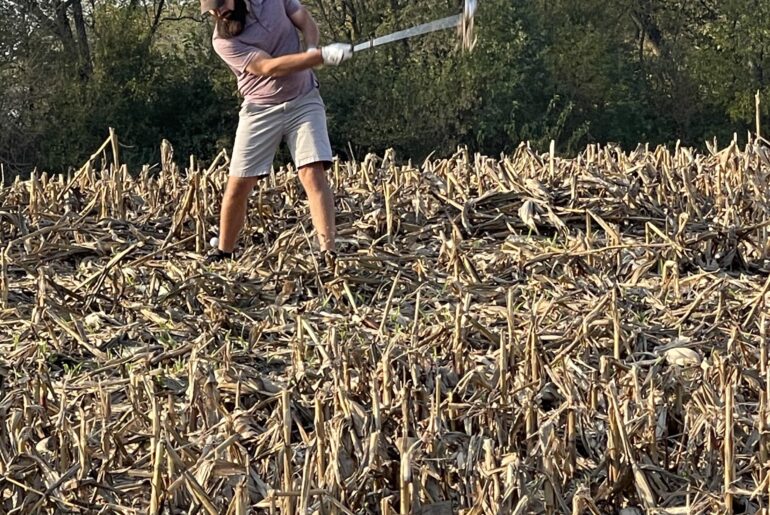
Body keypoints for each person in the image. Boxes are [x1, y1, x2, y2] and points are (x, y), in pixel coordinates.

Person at [200, 0, 353, 266]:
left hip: (304, 100)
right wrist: (319, 58)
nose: (218, 12)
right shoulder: (222, 41)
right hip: (260, 110)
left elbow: (303, 18)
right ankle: (224, 251)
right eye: (212, 9)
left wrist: (314, 48)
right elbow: (269, 67)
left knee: (312, 172)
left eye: (221, 4)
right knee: (238, 186)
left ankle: (328, 253)